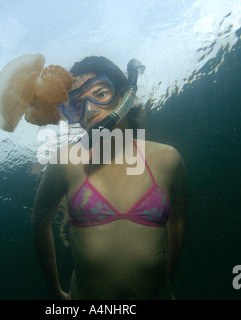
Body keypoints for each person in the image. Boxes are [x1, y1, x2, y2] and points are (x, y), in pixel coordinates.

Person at [31, 56, 187, 300]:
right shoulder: (65, 162)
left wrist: (169, 280)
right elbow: (39, 219)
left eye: (101, 93)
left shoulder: (168, 159)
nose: (90, 109)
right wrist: (55, 290)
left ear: (125, 94)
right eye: (77, 105)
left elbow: (177, 221)